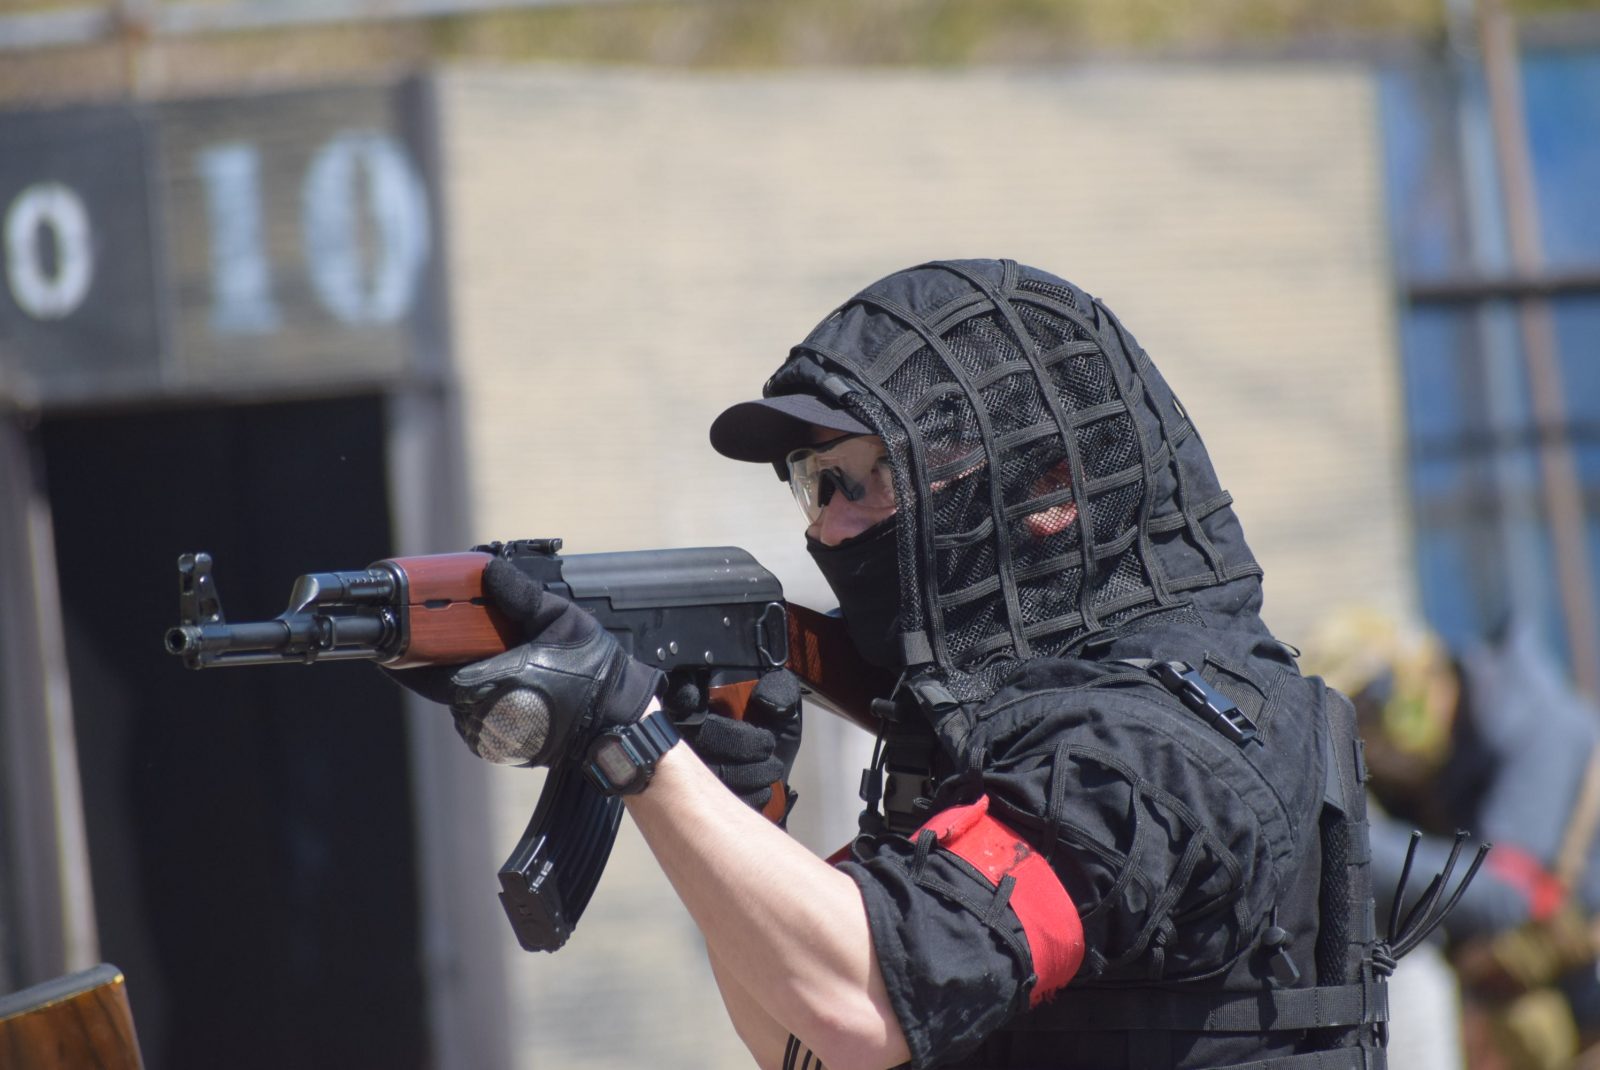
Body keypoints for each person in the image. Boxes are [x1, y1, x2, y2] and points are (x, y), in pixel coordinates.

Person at [396, 259, 1392, 1069]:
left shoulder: (1148, 747)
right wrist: (736, 808)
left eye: (872, 476)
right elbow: (800, 1041)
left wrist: (631, 740)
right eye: (815, 482)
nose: (829, 525)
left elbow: (862, 1006)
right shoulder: (1031, 727)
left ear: (1049, 493)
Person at [1306, 608, 1600, 1070]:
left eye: (1369, 710)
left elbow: (1510, 894)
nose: (1372, 742)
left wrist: (1348, 840)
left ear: (1418, 674)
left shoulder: (1537, 723)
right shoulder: (1427, 774)